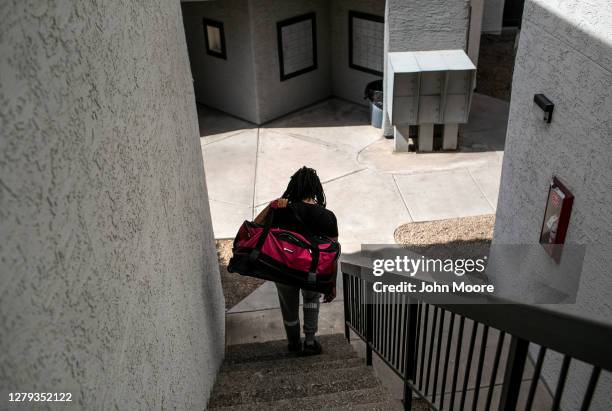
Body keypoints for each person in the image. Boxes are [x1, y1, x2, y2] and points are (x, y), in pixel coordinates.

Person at [254, 167, 338, 356]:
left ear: (292, 187)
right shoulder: (327, 216)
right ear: (316, 190)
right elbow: (333, 253)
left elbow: (254, 227)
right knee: (310, 300)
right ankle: (309, 341)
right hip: (312, 272)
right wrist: (331, 284)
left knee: (288, 306)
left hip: (283, 270)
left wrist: (271, 206)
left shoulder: (281, 211)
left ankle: (293, 343)